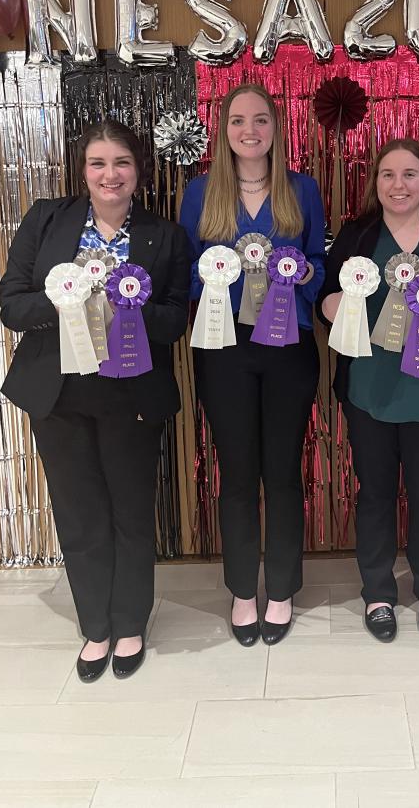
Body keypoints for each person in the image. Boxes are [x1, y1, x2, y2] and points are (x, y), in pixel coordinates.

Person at [0, 119, 191, 682]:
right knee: (79, 513)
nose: (111, 174)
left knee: (131, 512)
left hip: (131, 396)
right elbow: (12, 305)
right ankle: (95, 627)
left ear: (140, 171)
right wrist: (64, 299)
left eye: (122, 163)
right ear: (82, 171)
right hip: (58, 394)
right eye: (98, 163)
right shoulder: (45, 220)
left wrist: (122, 303)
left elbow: (175, 320)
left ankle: (130, 623)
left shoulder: (165, 236)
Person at [318, 139, 419, 642]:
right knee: (374, 494)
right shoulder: (357, 233)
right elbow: (322, 304)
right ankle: (377, 592)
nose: (399, 185)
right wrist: (344, 301)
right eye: (388, 175)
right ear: (374, 182)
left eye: (410, 174)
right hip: (368, 387)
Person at [179, 83, 325, 647]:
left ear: (276, 127)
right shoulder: (200, 194)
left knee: (284, 471)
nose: (249, 130)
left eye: (260, 119)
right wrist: (222, 272)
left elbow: (317, 257)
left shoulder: (302, 189)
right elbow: (187, 270)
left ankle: (282, 587)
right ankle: (243, 590)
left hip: (290, 345)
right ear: (224, 130)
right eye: (238, 120)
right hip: (224, 347)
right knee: (237, 473)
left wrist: (307, 274)